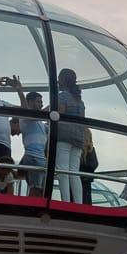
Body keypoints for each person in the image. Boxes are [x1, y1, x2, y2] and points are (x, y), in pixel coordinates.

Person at [52, 68, 88, 203]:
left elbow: (58, 115)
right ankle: (78, 203)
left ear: (63, 80)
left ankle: (65, 202)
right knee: (74, 171)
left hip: (64, 137)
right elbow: (83, 122)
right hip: (78, 138)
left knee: (63, 170)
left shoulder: (63, 96)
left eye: (59, 78)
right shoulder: (80, 101)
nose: (57, 81)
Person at [13, 90, 48, 196]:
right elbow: (26, 110)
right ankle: (33, 209)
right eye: (38, 102)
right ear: (30, 102)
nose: (41, 104)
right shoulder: (26, 118)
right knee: (35, 188)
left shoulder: (39, 122)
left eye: (41, 102)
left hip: (40, 158)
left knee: (39, 188)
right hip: (34, 157)